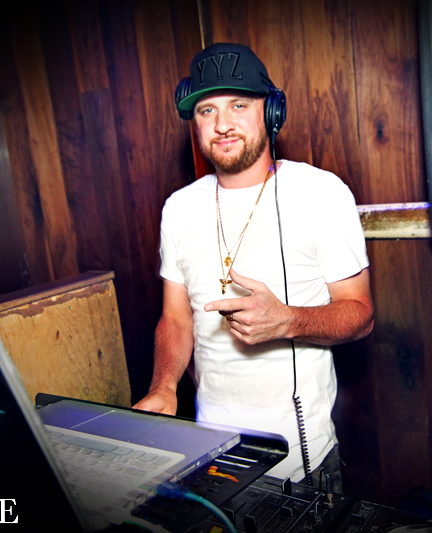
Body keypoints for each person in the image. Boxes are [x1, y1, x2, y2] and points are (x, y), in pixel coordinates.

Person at [133, 43, 373, 491]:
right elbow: (176, 318)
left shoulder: (322, 193)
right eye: (207, 110)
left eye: (239, 105)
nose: (222, 124)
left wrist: (289, 320)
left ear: (272, 112)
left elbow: (360, 315)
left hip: (301, 461)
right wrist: (164, 386)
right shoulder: (179, 208)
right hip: (210, 455)